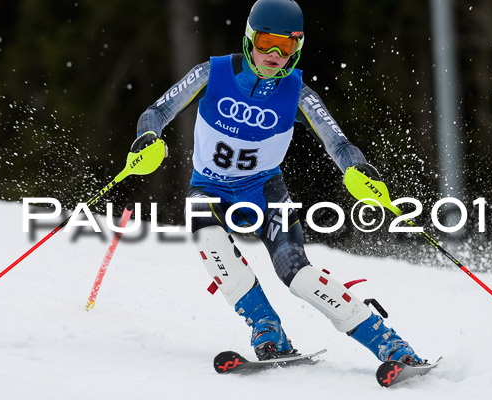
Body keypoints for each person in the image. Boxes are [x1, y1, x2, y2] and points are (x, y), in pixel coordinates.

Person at [132, 0, 425, 365]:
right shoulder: (212, 73)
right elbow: (157, 111)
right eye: (266, 42)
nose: (273, 54)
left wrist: (358, 168)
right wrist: (148, 137)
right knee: (211, 243)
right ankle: (266, 328)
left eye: (285, 46)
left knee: (298, 276)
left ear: (296, 49)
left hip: (264, 191)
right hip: (208, 188)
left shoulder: (298, 94)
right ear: (249, 40)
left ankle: (390, 344)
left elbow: (338, 143)